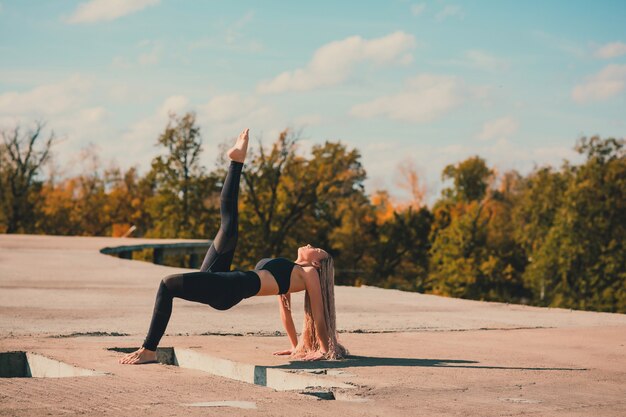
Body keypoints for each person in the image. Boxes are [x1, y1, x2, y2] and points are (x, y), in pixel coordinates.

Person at [119, 128, 347, 365]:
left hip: (232, 288)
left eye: (317, 249)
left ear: (317, 262)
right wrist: (295, 346)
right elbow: (286, 313)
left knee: (167, 285)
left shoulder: (309, 273)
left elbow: (318, 315)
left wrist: (322, 349)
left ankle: (149, 349)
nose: (311, 244)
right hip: (229, 282)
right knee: (228, 229)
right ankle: (236, 161)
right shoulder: (293, 270)